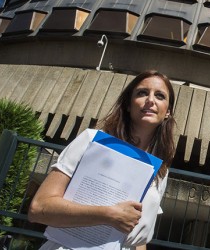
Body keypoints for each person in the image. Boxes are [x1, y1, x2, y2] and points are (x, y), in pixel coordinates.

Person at [28, 70, 176, 250]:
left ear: (167, 112)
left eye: (160, 96)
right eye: (142, 93)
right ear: (129, 104)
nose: (151, 100)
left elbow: (138, 241)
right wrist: (108, 214)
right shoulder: (91, 141)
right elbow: (38, 208)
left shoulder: (161, 172)